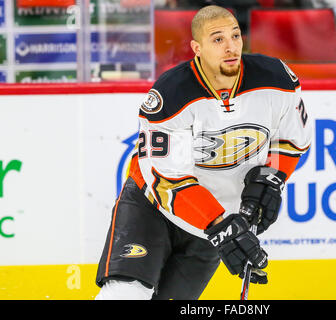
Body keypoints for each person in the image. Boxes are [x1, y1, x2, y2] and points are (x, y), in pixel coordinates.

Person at [95, 4, 312, 300]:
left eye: (235, 36)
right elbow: (169, 181)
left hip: (217, 219)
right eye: (218, 39)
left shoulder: (277, 81)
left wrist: (271, 179)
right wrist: (220, 225)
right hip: (153, 205)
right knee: (126, 293)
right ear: (197, 47)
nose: (231, 46)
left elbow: (290, 143)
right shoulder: (173, 95)